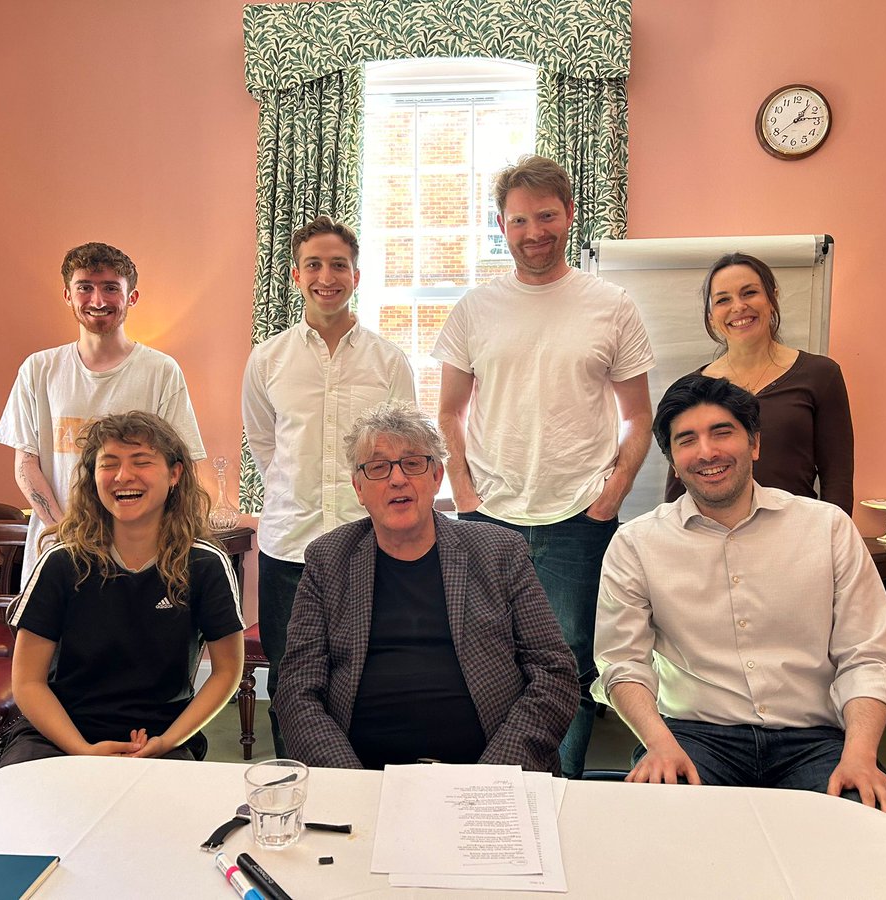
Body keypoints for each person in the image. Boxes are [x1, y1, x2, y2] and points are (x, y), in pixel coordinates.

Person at [593, 374, 886, 820]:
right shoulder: (636, 544)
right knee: (662, 827)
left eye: (722, 432)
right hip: (694, 736)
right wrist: (659, 745)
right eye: (687, 440)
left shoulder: (826, 528)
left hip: (815, 740)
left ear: (755, 444)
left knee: (868, 829)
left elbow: (867, 656)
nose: (706, 451)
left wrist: (860, 756)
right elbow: (621, 661)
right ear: (673, 462)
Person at [432, 154, 654, 776]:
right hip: (488, 518)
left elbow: (638, 415)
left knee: (568, 665)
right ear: (500, 225)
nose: (535, 232)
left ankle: (557, 794)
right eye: (520, 220)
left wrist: (608, 498)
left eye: (547, 216)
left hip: (578, 521)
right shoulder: (475, 309)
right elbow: (448, 414)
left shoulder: (611, 305)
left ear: (570, 215)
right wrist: (467, 501)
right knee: (478, 659)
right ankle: (488, 795)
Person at [275, 400, 577, 772]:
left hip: (488, 774)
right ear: (358, 487)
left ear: (436, 477)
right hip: (365, 775)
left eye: (413, 463)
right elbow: (297, 688)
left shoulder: (499, 551)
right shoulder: (328, 559)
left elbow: (555, 674)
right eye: (378, 467)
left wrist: (493, 775)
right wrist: (348, 781)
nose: (397, 479)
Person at [242, 215, 416, 757]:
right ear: (295, 276)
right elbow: (265, 444)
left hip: (371, 545)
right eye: (313, 265)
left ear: (356, 276)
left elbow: (405, 454)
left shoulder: (388, 361)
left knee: (370, 672)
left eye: (338, 265)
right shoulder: (267, 359)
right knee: (293, 680)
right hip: (289, 546)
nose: (326, 276)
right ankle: (294, 783)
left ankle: (365, 785)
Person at [0, 411, 244, 766]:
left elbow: (227, 671)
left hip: (160, 736)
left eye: (141, 462)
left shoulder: (206, 565)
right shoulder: (61, 562)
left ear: (175, 474)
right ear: (92, 477)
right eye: (109, 464)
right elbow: (27, 683)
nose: (123, 476)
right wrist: (81, 750)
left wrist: (167, 740)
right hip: (58, 734)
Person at [0, 241, 209, 585]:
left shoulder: (161, 371)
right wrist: (64, 532)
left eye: (111, 288)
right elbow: (26, 464)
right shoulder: (39, 369)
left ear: (131, 297)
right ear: (68, 295)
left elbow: (180, 466)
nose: (98, 301)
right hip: (57, 552)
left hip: (141, 557)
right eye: (85, 288)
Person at [664, 251, 854, 514]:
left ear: (772, 297)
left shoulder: (821, 375)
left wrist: (833, 539)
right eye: (723, 300)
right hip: (712, 538)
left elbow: (838, 480)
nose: (738, 307)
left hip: (794, 536)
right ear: (711, 316)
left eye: (749, 293)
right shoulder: (694, 389)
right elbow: (678, 483)